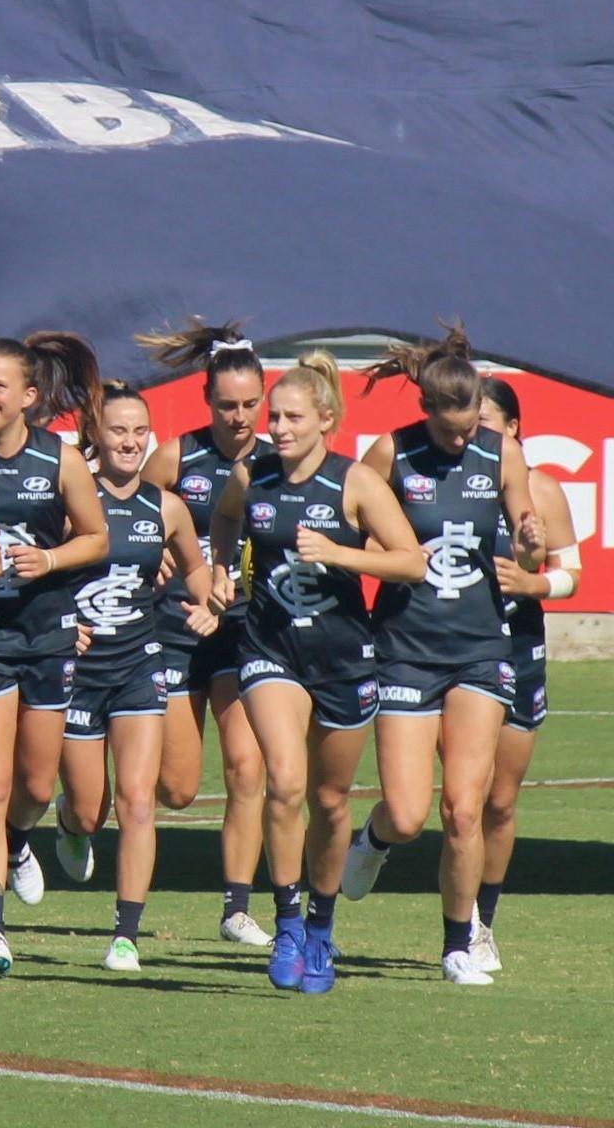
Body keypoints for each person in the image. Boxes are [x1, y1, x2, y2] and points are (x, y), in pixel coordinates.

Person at [207, 350, 424, 995]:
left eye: (291, 417)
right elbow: (222, 519)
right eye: (274, 416)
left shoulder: (353, 482)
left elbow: (411, 562)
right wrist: (219, 568)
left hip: (342, 658)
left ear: (324, 419)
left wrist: (340, 553)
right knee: (285, 782)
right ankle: (286, 924)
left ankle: (323, 930)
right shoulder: (252, 477)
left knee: (331, 804)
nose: (277, 427)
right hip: (270, 650)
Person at [337, 328, 544, 986]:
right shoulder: (391, 454)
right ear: (428, 409)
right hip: (404, 650)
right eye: (451, 433)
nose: (462, 443)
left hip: (481, 650)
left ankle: (459, 944)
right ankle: (370, 842)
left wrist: (532, 543)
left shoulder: (500, 451)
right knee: (405, 813)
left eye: (468, 431)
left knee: (463, 807)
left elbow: (528, 543)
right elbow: (353, 531)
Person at [0, 334, 109, 977]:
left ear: (29, 397)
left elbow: (96, 539)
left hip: (46, 634)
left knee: (36, 785)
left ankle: (16, 843)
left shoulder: (60, 460)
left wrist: (52, 559)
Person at [54, 382, 215, 972]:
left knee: (139, 801)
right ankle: (68, 825)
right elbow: (37, 571)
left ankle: (126, 933)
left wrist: (210, 604)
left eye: (138, 431)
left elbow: (197, 569)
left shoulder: (165, 506)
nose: (129, 441)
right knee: (90, 809)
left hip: (140, 666)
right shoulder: (69, 499)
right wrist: (59, 624)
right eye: (117, 430)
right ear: (95, 435)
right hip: (77, 672)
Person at [135, 320, 273, 946]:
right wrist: (157, 556)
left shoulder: (278, 462)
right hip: (175, 629)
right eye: (227, 405)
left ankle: (237, 908)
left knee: (248, 768)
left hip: (245, 631)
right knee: (179, 789)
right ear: (206, 401)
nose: (239, 416)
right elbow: (131, 521)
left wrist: (240, 584)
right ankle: (74, 808)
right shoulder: (175, 457)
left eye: (250, 404)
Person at [473, 377, 581, 972]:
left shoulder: (541, 489)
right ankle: (378, 839)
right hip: (451, 650)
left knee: (499, 800)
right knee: (444, 800)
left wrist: (533, 580)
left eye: (488, 420)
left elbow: (571, 574)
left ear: (514, 428)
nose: (477, 431)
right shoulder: (448, 484)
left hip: (517, 646)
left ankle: (480, 923)